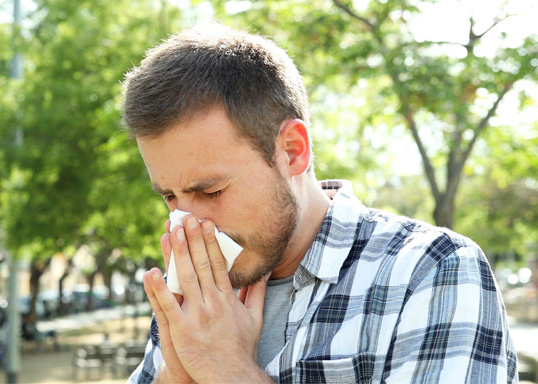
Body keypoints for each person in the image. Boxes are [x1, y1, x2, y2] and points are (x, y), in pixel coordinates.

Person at [123, 24, 517, 383]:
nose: (189, 224)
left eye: (211, 192)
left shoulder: (430, 270)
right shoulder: (195, 297)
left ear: (293, 151)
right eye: (170, 197)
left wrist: (230, 371)